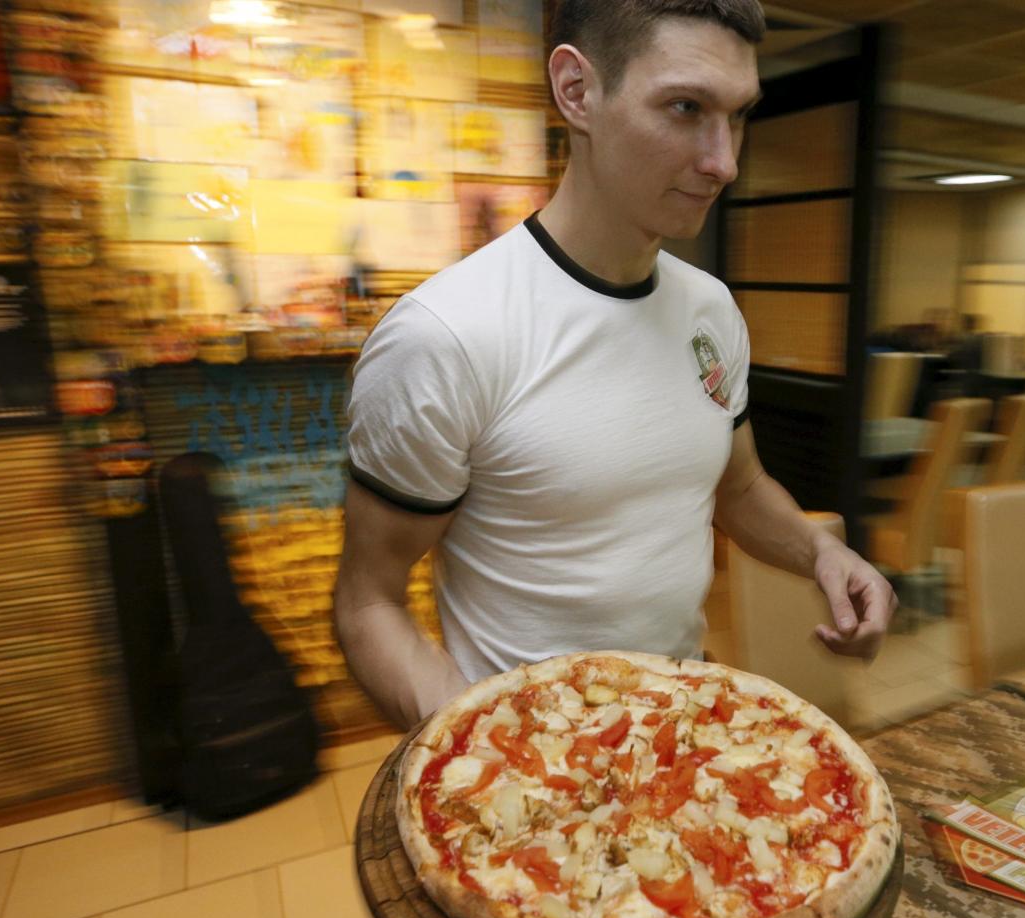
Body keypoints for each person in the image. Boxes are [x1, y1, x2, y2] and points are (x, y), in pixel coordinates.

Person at [333, 0, 897, 728]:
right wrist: (473, 741)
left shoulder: (711, 311)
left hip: (679, 736)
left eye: (738, 115)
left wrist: (821, 551)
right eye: (685, 107)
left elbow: (738, 485)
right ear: (577, 92)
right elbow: (368, 602)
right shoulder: (445, 336)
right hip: (529, 765)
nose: (723, 161)